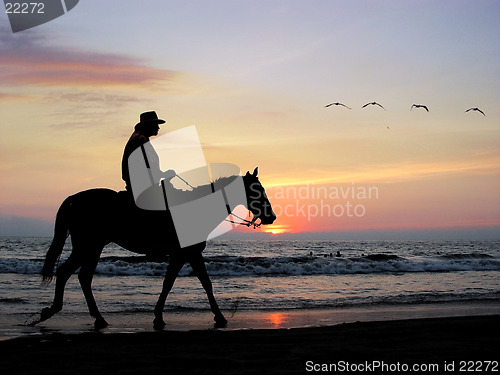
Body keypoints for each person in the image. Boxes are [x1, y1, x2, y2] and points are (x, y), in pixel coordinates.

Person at [121, 111, 176, 194]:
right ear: (148, 126)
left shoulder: (141, 138)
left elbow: (148, 167)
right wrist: (163, 175)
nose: (158, 128)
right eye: (155, 124)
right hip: (142, 190)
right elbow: (144, 168)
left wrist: (162, 174)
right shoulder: (140, 139)